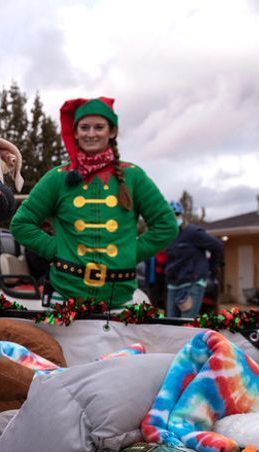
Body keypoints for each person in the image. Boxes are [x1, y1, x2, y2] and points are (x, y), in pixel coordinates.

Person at [10, 97, 177, 307]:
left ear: (112, 132)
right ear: (76, 133)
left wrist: (130, 253)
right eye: (84, 127)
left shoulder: (134, 177)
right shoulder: (57, 178)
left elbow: (166, 225)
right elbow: (21, 223)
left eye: (99, 127)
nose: (91, 133)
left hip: (121, 299)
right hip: (65, 297)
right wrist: (56, 250)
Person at [164, 200, 224, 318]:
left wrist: (210, 267)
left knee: (186, 323)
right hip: (173, 284)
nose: (174, 218)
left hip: (192, 284)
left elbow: (217, 246)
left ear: (182, 215)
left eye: (177, 215)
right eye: (170, 216)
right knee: (171, 323)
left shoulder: (193, 233)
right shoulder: (169, 235)